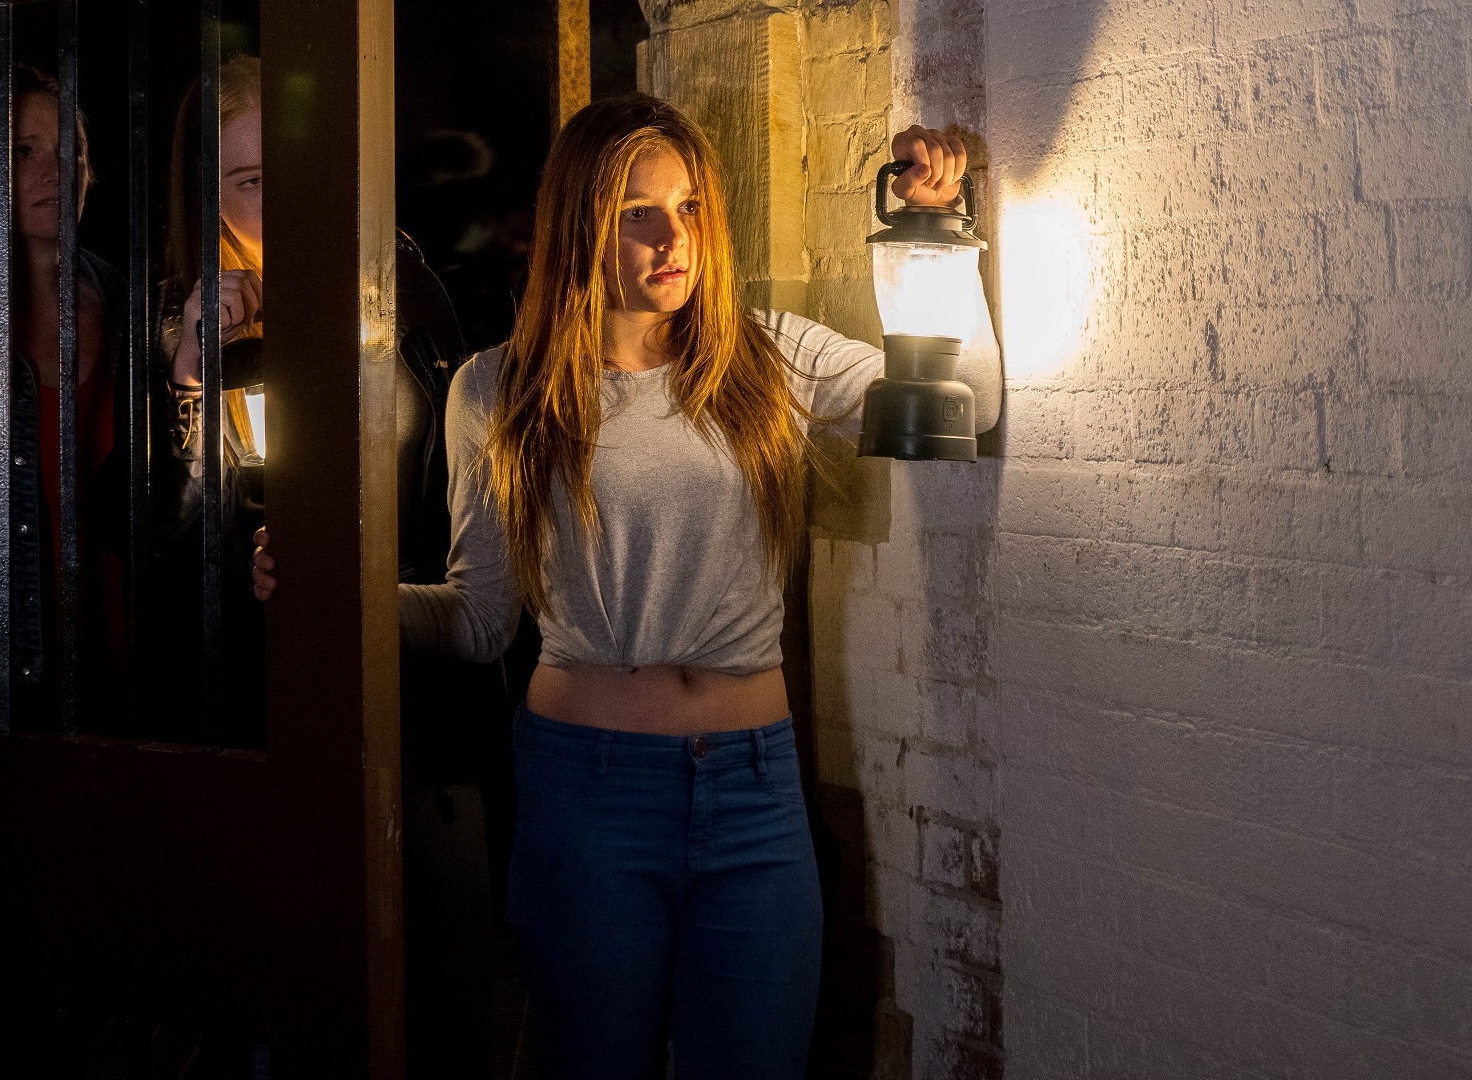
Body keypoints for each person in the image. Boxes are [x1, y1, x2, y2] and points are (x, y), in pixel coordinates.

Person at [255, 92, 999, 1078]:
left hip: (755, 787)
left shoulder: (766, 355)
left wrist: (930, 238)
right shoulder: (499, 387)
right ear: (578, 227)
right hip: (588, 790)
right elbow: (478, 620)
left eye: (687, 207)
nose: (672, 237)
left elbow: (968, 401)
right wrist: (336, 593)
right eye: (635, 213)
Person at [167, 55, 515, 1063]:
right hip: (263, 717)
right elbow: (169, 548)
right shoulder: (188, 321)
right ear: (207, 195)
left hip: (416, 704)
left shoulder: (399, 281)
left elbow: (461, 490)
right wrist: (191, 378)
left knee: (443, 1008)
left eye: (290, 167)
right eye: (248, 181)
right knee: (288, 1012)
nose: (280, 200)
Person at [0, 63, 125, 720]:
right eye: (24, 151)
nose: (54, 171)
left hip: (115, 660)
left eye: (69, 150)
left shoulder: (123, 300)